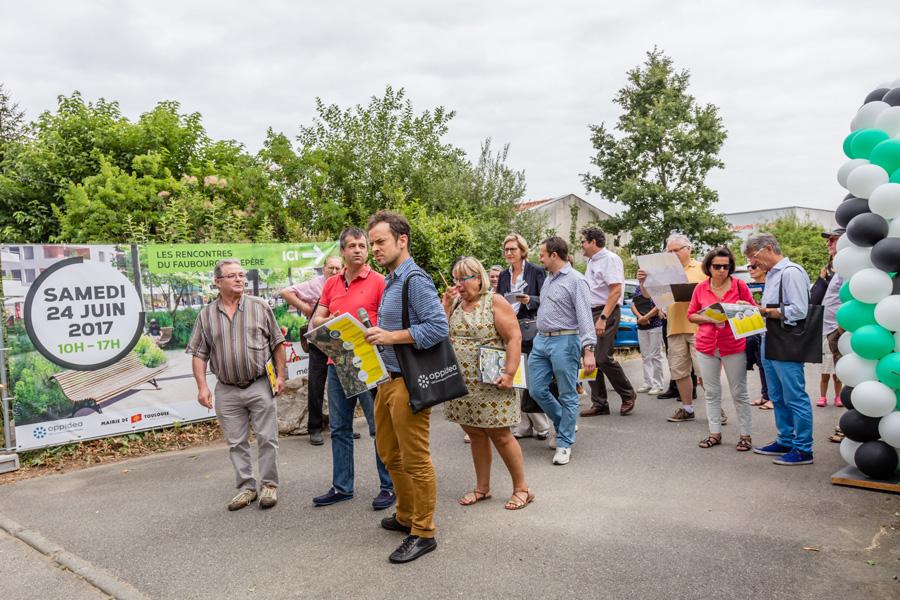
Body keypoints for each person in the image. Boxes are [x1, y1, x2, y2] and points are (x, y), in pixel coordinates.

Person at [364, 211, 447, 564]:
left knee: (415, 459)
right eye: (372, 243)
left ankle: (424, 532)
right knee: (389, 453)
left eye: (380, 242)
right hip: (387, 380)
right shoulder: (392, 280)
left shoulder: (415, 280)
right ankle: (406, 515)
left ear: (402, 240)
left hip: (409, 382)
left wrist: (390, 337)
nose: (374, 249)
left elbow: (438, 327)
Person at [187, 259, 286, 511]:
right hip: (227, 389)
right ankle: (246, 488)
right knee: (236, 442)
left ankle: (269, 485)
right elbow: (199, 354)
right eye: (232, 275)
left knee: (267, 438)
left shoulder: (260, 306)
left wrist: (281, 376)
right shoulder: (206, 315)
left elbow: (277, 343)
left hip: (260, 384)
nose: (240, 279)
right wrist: (202, 387)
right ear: (217, 282)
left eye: (241, 275)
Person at [310, 228, 395, 511]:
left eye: (362, 245)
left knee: (378, 428)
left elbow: (389, 322)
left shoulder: (379, 281)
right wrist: (327, 320)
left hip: (369, 363)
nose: (358, 250)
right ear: (342, 251)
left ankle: (389, 486)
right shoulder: (331, 284)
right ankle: (342, 487)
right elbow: (316, 320)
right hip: (338, 362)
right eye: (352, 246)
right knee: (339, 429)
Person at [442, 257, 533, 510]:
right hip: (461, 384)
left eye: (464, 279)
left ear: (479, 278)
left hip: (492, 382)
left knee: (500, 435)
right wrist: (445, 305)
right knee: (474, 433)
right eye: (455, 279)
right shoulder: (455, 303)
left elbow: (514, 337)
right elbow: (439, 333)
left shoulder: (494, 301)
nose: (458, 284)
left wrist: (510, 373)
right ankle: (482, 488)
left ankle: (522, 489)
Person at [743, 233, 815, 466]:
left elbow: (799, 310)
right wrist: (756, 309)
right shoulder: (773, 274)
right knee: (777, 395)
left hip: (786, 340)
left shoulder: (790, 272)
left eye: (753, 257)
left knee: (794, 395)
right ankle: (785, 439)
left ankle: (803, 448)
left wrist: (762, 311)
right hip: (771, 338)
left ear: (768, 249)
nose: (753, 263)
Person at [526, 236, 596, 466]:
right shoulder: (548, 279)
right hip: (541, 340)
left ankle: (564, 443)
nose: (540, 258)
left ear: (554, 255)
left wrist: (589, 350)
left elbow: (585, 318)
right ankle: (565, 423)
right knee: (536, 389)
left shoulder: (577, 280)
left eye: (542, 255)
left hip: (565, 340)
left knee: (567, 394)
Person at [687, 247, 756, 451]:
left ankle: (745, 435)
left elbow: (753, 311)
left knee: (739, 392)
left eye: (726, 267)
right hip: (706, 345)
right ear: (708, 267)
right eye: (717, 266)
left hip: (733, 345)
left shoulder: (740, 285)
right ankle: (714, 433)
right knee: (711, 392)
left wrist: (743, 308)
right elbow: (691, 315)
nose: (722, 270)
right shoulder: (701, 288)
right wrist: (710, 318)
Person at [638, 234, 706, 422]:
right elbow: (649, 295)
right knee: (679, 372)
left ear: (689, 249)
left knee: (704, 372)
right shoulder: (663, 272)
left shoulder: (703, 268)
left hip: (699, 328)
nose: (672, 254)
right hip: (674, 327)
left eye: (676, 250)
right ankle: (687, 409)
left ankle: (717, 410)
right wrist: (643, 282)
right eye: (669, 251)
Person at [281, 255, 343, 445]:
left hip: (340, 339)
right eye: (331, 268)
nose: (334, 271)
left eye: (338, 268)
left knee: (343, 384)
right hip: (319, 339)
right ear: (323, 269)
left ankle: (342, 425)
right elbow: (286, 292)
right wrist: (306, 309)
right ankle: (314, 428)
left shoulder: (345, 283)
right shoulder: (316, 284)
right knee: (316, 384)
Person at [496, 234, 552, 441]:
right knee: (516, 378)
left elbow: (547, 298)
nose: (509, 253)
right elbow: (498, 299)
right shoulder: (503, 275)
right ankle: (524, 425)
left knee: (530, 377)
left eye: (513, 249)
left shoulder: (536, 271)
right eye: (506, 249)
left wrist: (529, 300)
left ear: (522, 251)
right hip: (508, 328)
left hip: (529, 328)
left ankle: (541, 424)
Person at [578, 227, 637, 417]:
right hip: (590, 312)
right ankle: (600, 403)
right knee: (589, 359)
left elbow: (616, 290)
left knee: (602, 357)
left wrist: (603, 318)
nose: (581, 245)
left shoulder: (610, 259)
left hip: (605, 311)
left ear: (593, 242)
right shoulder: (592, 261)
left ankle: (628, 394)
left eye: (583, 241)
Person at [816, 228, 844, 408]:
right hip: (828, 328)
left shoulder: (847, 268)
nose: (828, 243)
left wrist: (841, 328)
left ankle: (839, 398)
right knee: (828, 369)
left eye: (833, 240)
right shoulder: (837, 267)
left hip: (836, 329)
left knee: (840, 371)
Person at [745, 261, 772, 411]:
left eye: (753, 267)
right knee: (761, 364)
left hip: (770, 328)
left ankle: (773, 398)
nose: (750, 269)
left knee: (769, 364)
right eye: (748, 267)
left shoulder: (772, 285)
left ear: (763, 268)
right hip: (754, 327)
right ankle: (766, 395)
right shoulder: (748, 287)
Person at [630, 286, 665, 395]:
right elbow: (633, 304)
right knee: (645, 356)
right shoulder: (638, 288)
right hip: (641, 326)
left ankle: (658, 384)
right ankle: (648, 382)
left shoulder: (655, 286)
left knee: (655, 355)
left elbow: (658, 305)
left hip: (655, 325)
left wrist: (646, 317)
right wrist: (640, 317)